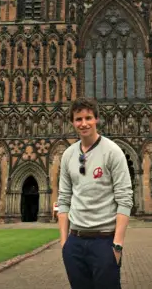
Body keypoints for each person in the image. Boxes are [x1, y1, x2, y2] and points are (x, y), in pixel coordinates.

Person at [57, 97, 134, 289]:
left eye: (88, 118)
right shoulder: (68, 155)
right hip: (75, 242)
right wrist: (64, 243)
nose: (83, 123)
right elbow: (64, 199)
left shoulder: (112, 151)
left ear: (96, 119)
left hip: (104, 241)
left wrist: (117, 245)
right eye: (78, 119)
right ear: (73, 122)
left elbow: (125, 199)